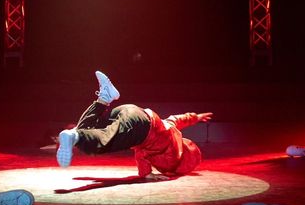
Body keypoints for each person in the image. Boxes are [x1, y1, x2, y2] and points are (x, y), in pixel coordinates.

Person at [56, 71, 212, 179]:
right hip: (140, 127)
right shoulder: (173, 159)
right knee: (104, 141)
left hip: (132, 111)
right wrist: (147, 174)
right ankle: (75, 135)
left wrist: (196, 117)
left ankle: (104, 98)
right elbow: (142, 154)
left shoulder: (173, 131)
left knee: (87, 129)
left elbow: (179, 119)